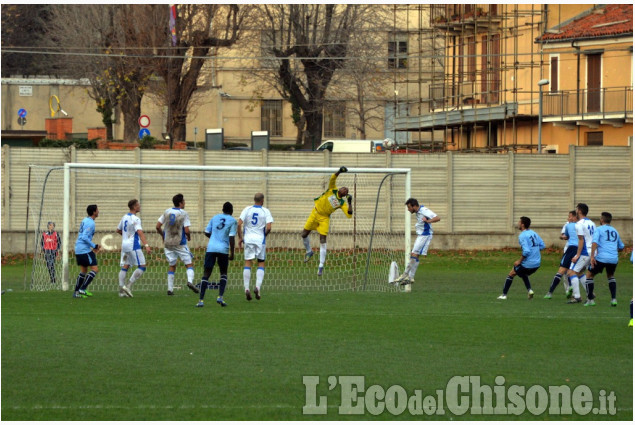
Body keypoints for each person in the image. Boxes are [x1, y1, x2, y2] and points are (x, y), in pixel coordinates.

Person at [301, 166, 353, 276]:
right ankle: (309, 251)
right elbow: (333, 178)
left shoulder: (342, 203)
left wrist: (350, 203)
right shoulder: (332, 189)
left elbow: (349, 215)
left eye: (346, 191)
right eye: (343, 188)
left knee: (323, 239)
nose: (344, 189)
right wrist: (339, 171)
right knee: (304, 234)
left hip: (324, 218)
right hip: (315, 213)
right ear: (340, 189)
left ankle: (321, 265)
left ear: (345, 195)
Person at [391, 198, 440, 288]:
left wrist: (428, 221)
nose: (408, 209)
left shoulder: (424, 210)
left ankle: (405, 275)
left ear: (414, 206)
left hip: (425, 235)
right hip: (421, 235)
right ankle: (411, 277)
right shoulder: (418, 212)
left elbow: (437, 218)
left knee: (413, 254)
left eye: (409, 207)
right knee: (415, 255)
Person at [156, 194, 198, 296]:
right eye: (184, 201)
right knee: (189, 264)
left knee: (172, 265)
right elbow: (187, 230)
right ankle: (190, 282)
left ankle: (170, 289)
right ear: (180, 203)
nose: (185, 203)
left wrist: (163, 235)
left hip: (168, 243)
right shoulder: (183, 213)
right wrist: (189, 236)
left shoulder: (166, 212)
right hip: (180, 242)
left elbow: (157, 226)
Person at [196, 202, 237, 307]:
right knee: (223, 273)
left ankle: (201, 301)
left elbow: (206, 232)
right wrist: (232, 253)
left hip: (211, 248)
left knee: (206, 273)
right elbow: (232, 237)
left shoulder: (214, 218)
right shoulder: (233, 221)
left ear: (222, 209)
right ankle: (220, 297)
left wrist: (214, 238)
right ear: (231, 211)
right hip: (223, 249)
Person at [497, 216, 545, 300]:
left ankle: (504, 295)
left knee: (511, 273)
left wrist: (519, 261)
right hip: (537, 263)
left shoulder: (522, 236)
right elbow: (542, 245)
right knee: (523, 273)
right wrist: (534, 251)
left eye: (519, 222)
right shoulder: (534, 233)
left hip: (528, 263)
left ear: (522, 225)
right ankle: (530, 291)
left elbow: (526, 251)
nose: (518, 224)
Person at [237, 193, 274, 301]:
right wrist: (264, 235)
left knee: (248, 262)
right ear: (262, 200)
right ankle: (257, 287)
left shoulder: (247, 209)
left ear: (254, 200)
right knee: (261, 262)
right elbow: (269, 227)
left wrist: (240, 237)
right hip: (260, 240)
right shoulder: (265, 211)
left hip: (248, 239)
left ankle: (246, 289)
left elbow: (238, 224)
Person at [584, 212, 624, 307]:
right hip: (613, 259)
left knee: (589, 275)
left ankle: (590, 300)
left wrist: (592, 257)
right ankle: (613, 299)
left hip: (602, 258)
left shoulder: (599, 229)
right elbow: (621, 247)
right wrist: (613, 250)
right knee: (610, 275)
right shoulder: (615, 231)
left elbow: (594, 243)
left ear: (602, 220)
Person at [116, 199, 152, 298]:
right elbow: (140, 233)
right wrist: (147, 245)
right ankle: (128, 286)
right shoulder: (135, 219)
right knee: (142, 266)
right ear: (134, 207)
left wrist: (126, 237)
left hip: (125, 245)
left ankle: (121, 291)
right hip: (133, 245)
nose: (139, 206)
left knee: (125, 266)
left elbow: (118, 230)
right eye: (138, 205)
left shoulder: (124, 217)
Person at [566, 203, 596, 304]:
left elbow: (581, 240)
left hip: (585, 252)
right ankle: (590, 293)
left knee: (571, 272)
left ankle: (577, 297)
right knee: (579, 273)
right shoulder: (592, 223)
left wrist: (577, 255)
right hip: (592, 252)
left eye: (577, 209)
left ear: (579, 211)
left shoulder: (579, 224)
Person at [544, 210, 578, 299]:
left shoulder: (569, 225)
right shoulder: (583, 225)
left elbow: (564, 236)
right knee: (574, 272)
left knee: (561, 271)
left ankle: (550, 292)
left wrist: (562, 237)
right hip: (581, 250)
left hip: (570, 249)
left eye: (569, 216)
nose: (568, 218)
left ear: (574, 217)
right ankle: (576, 292)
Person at [73, 204, 100, 298]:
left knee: (83, 271)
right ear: (94, 212)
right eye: (97, 210)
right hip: (84, 249)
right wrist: (94, 245)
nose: (98, 211)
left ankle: (76, 293)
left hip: (78, 248)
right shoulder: (91, 223)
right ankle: (83, 288)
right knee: (95, 269)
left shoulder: (85, 220)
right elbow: (84, 237)